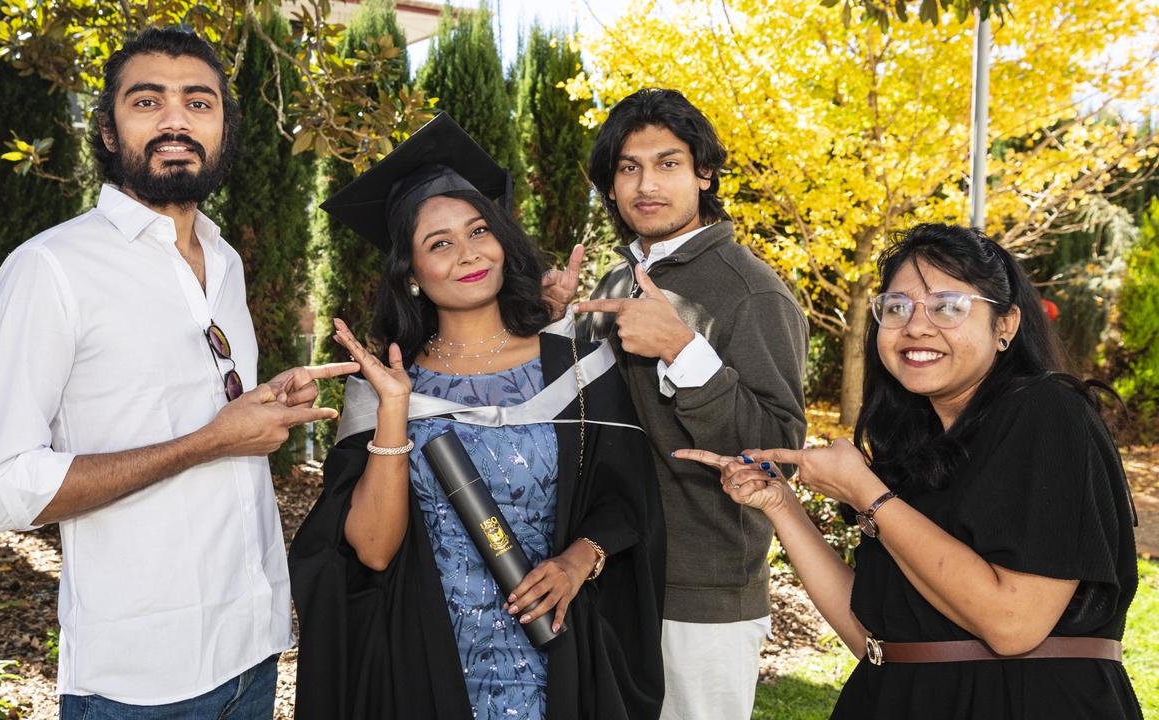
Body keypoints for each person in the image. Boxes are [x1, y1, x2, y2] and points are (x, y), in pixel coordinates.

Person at [0, 29, 357, 717]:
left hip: (255, 648)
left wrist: (260, 406)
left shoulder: (224, 259)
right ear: (110, 131)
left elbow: (210, 411)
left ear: (223, 129)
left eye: (198, 103)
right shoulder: (52, 269)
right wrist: (207, 441)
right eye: (148, 100)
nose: (176, 120)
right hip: (141, 682)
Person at [678, 223, 1142, 719]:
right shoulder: (916, 449)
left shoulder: (1047, 411)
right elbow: (874, 638)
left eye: (947, 306)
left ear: (1005, 325)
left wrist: (867, 494)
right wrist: (782, 506)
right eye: (896, 308)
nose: (916, 326)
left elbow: (1013, 623)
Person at [287, 113, 666, 720]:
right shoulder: (387, 383)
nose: (468, 254)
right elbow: (373, 553)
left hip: (557, 651)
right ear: (410, 274)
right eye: (439, 243)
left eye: (478, 231)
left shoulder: (578, 367)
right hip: (426, 658)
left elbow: (627, 505)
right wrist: (393, 412)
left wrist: (577, 561)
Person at [543, 88, 809, 720]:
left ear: (704, 173)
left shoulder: (749, 291)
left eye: (668, 163)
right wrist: (556, 328)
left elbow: (781, 455)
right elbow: (596, 423)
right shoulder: (616, 282)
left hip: (699, 597)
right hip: (607, 575)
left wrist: (685, 352)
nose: (646, 184)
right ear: (609, 186)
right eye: (629, 168)